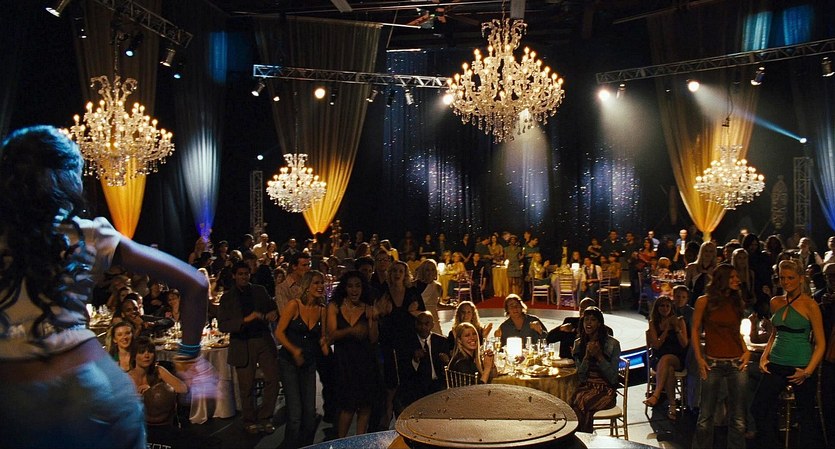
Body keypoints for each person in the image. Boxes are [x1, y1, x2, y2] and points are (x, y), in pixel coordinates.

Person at [0, 126, 210, 448]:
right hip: (94, 391)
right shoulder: (88, 234)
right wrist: (189, 355)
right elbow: (195, 283)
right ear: (68, 177)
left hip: (13, 402)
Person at [750, 260, 826, 449]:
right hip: (776, 361)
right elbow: (774, 333)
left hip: (801, 365)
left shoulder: (810, 305)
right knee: (758, 407)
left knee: (806, 417)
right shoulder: (776, 302)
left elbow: (821, 344)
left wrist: (807, 372)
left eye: (790, 278)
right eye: (782, 278)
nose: (786, 282)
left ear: (800, 279)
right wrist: (764, 356)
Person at [690, 264, 750, 449]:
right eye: (732, 277)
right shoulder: (704, 301)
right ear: (722, 279)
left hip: (736, 362)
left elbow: (736, 332)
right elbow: (695, 330)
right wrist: (699, 359)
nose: (737, 280)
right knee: (705, 417)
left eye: (737, 276)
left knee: (738, 418)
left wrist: (746, 351)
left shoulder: (736, 301)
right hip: (712, 362)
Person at [217, 261, 280, 435]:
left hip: (263, 339)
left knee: (273, 379)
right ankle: (250, 420)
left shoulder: (259, 290)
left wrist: (272, 313)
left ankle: (265, 417)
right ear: (234, 276)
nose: (244, 277)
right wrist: (247, 319)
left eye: (246, 273)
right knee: (246, 386)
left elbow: (272, 308)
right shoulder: (227, 298)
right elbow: (223, 325)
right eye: (240, 274)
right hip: (242, 343)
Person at [274, 270, 329, 448]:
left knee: (309, 413)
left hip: (309, 363)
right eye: (316, 283)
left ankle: (306, 445)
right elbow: (279, 333)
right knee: (295, 414)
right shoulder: (294, 305)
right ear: (307, 286)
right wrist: (294, 350)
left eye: (322, 283)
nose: (320, 286)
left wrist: (325, 344)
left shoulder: (322, 310)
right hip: (289, 362)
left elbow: (322, 337)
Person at [327, 270, 379, 438]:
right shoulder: (335, 306)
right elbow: (331, 335)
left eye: (358, 286)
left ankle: (360, 442)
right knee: (347, 407)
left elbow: (373, 339)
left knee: (364, 406)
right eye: (350, 286)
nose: (354, 290)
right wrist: (351, 330)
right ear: (344, 288)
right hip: (344, 363)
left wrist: (373, 319)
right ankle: (341, 442)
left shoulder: (368, 307)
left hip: (365, 362)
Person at [570, 307, 621, 432]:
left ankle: (583, 437)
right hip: (586, 387)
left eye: (593, 320)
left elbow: (613, 378)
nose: (588, 323)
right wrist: (586, 358)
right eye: (586, 320)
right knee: (571, 400)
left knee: (583, 402)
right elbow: (581, 377)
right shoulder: (578, 344)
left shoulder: (612, 344)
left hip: (606, 391)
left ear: (599, 323)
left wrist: (599, 357)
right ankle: (580, 436)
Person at [642, 295, 688, 421]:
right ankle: (672, 406)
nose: (665, 308)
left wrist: (676, 328)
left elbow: (684, 344)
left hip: (676, 357)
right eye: (662, 306)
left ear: (671, 307)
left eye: (668, 306)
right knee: (669, 369)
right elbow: (656, 345)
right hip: (659, 357)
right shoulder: (653, 323)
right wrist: (666, 329)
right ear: (657, 308)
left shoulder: (680, 321)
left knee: (667, 359)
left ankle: (656, 394)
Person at [128, 336, 188, 426]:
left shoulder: (159, 370)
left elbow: (183, 389)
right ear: (134, 356)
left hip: (161, 422)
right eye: (141, 352)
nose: (147, 356)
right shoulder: (127, 378)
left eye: (150, 352)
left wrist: (153, 391)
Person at [396, 311, 450, 407]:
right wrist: (415, 360)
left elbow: (447, 367)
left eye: (426, 324)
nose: (423, 327)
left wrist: (446, 361)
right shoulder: (407, 343)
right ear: (415, 324)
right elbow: (404, 370)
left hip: (438, 384)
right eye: (420, 324)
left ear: (432, 325)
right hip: (417, 386)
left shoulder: (441, 341)